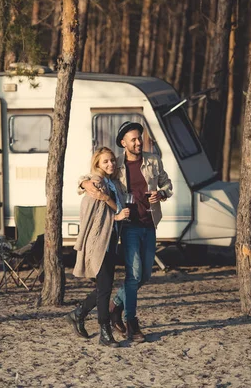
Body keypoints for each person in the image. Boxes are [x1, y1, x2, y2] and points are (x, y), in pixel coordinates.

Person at [79, 121, 172, 342]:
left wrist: (161, 194)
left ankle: (115, 307)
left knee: (145, 276)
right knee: (134, 275)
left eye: (140, 138)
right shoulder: (116, 164)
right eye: (134, 139)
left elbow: (167, 184)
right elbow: (93, 176)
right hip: (129, 227)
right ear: (124, 143)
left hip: (149, 223)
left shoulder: (153, 160)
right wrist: (83, 183)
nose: (138, 142)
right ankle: (131, 323)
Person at [66, 147, 131, 348]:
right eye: (105, 162)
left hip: (110, 241)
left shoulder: (114, 183)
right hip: (98, 243)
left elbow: (118, 204)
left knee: (104, 287)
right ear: (97, 165)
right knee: (104, 289)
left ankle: (78, 314)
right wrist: (116, 216)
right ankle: (104, 332)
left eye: (112, 160)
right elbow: (94, 215)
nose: (110, 164)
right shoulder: (96, 183)